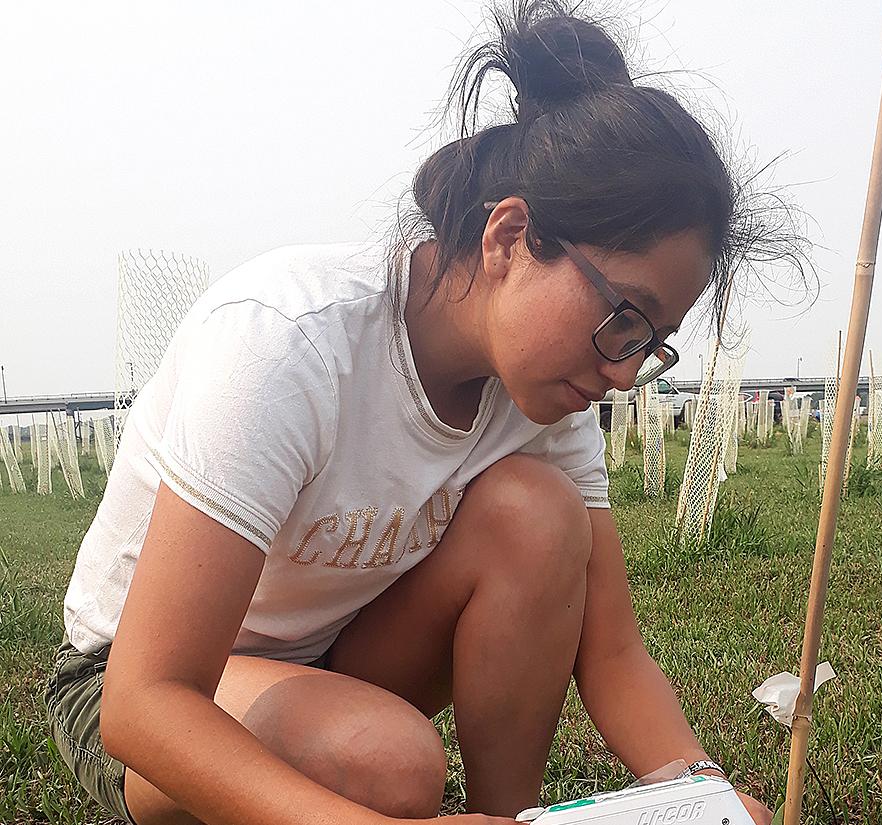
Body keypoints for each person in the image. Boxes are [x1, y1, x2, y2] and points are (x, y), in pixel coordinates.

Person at [45, 3, 806, 824]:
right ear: (511, 236)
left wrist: (704, 792)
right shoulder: (291, 344)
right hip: (135, 683)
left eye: (652, 343)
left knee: (539, 516)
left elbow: (614, 650)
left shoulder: (548, 398)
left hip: (331, 660)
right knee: (387, 762)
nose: (623, 371)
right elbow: (144, 701)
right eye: (625, 317)